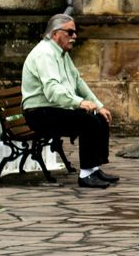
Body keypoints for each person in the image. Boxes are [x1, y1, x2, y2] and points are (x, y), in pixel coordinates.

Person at [21, 13, 120, 189]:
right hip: (39, 113)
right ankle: (86, 175)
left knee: (99, 117)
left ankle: (95, 168)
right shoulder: (45, 54)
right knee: (88, 121)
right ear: (55, 33)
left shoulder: (61, 53)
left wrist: (99, 105)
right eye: (70, 32)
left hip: (53, 108)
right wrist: (79, 103)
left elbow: (78, 81)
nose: (75, 36)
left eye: (75, 32)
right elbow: (52, 91)